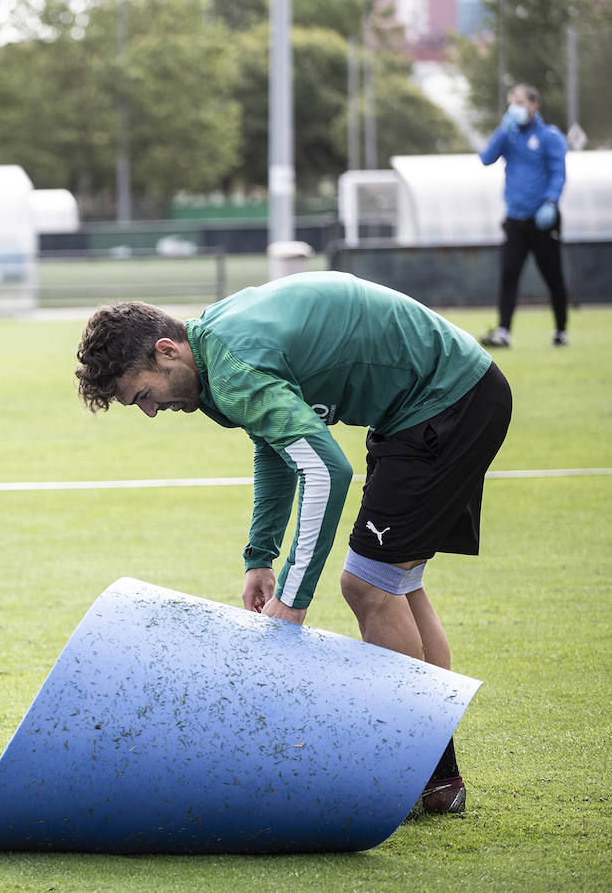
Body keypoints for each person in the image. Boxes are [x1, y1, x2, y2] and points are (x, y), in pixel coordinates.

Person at [74, 272, 512, 814]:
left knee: (367, 587)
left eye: (142, 394)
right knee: (397, 583)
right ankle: (437, 778)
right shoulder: (215, 351)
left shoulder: (232, 365)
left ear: (167, 351)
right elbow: (276, 446)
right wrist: (260, 557)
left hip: (445, 402)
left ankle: (416, 771)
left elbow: (327, 470)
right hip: (431, 403)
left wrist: (292, 603)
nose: (149, 410)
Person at [478, 83, 569, 348]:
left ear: (534, 104)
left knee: (552, 275)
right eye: (511, 103)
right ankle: (504, 331)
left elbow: (558, 172)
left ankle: (561, 330)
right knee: (508, 274)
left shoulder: (550, 136)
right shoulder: (509, 135)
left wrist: (551, 202)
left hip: (543, 219)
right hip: (515, 220)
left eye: (520, 102)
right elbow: (486, 158)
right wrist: (502, 130)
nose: (515, 108)